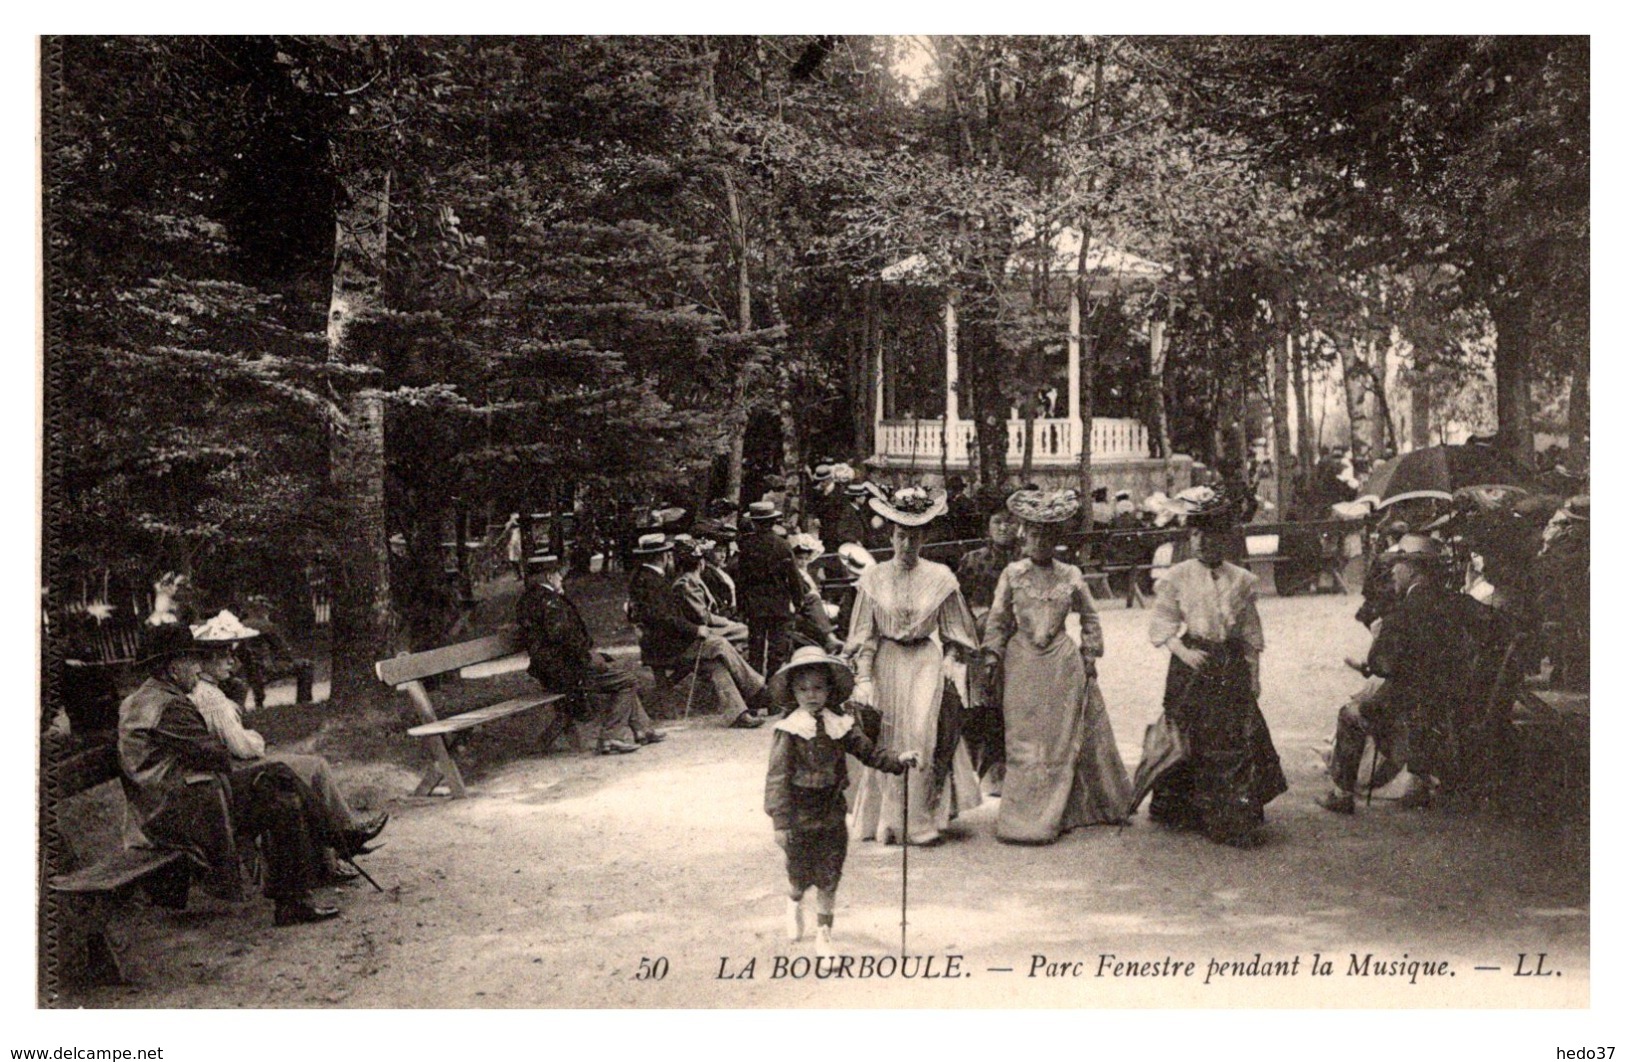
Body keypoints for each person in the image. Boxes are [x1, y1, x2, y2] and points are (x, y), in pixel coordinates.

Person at [117, 623, 342, 926]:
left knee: (280, 792)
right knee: (278, 781)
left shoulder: (144, 699)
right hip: (178, 810)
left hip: (172, 801)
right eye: (193, 661)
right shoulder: (168, 706)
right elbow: (216, 754)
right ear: (173, 668)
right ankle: (338, 840)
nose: (199, 669)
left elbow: (205, 754)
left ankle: (298, 897)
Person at [187, 611, 386, 876]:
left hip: (227, 769)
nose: (231, 662)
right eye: (223, 656)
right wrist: (257, 739)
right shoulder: (211, 698)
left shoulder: (210, 691)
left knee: (312, 768)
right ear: (207, 660)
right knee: (313, 767)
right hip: (235, 771)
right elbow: (242, 747)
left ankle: (336, 850)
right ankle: (344, 840)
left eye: (230, 654)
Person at [984, 490, 1132, 842]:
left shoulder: (1070, 575)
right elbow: (998, 619)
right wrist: (992, 655)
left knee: (1059, 741)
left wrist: (1090, 653)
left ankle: (1057, 813)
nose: (1039, 542)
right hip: (1021, 664)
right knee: (1022, 740)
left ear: (1057, 539)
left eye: (1047, 535)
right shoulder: (1013, 574)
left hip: (1063, 666)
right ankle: (1022, 816)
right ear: (1024, 535)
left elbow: (1091, 617)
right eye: (1033, 534)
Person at [1145, 485, 1288, 847]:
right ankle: (1189, 808)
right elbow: (1162, 625)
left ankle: (1233, 815)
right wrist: (1184, 652)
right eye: (1195, 533)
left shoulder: (1241, 579)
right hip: (1192, 663)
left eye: (1210, 533)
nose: (1202, 541)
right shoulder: (1177, 576)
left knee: (1235, 735)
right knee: (1192, 735)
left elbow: (1250, 632)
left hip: (1229, 664)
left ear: (1224, 537)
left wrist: (1254, 674)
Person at [846, 485, 983, 846]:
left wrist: (952, 663)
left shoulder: (941, 578)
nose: (907, 546)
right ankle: (886, 820)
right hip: (886, 659)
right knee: (888, 733)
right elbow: (864, 634)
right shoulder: (873, 578)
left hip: (925, 659)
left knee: (922, 730)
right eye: (901, 536)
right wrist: (863, 676)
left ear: (925, 538)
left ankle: (921, 820)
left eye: (915, 537)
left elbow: (958, 634)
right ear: (891, 535)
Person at [1317, 535, 1493, 812]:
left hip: (1410, 704)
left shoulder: (1403, 612)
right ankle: (1419, 784)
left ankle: (1342, 794)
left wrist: (1370, 658)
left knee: (1350, 714)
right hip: (1455, 696)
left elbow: (1382, 665)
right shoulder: (1459, 603)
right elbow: (1495, 626)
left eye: (1398, 567)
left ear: (1412, 570)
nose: (1393, 573)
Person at [764, 647, 921, 957]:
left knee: (829, 876)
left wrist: (898, 760)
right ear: (793, 692)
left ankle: (824, 934)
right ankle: (793, 903)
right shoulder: (788, 730)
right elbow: (776, 779)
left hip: (832, 811)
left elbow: (869, 752)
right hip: (799, 813)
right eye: (803, 688)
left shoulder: (841, 724)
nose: (812, 695)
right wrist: (779, 822)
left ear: (830, 689)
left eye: (819, 687)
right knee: (799, 877)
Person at [515, 553, 665, 755]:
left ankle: (642, 729)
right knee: (627, 680)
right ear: (550, 577)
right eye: (559, 575)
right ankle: (611, 737)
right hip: (567, 671)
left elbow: (561, 641)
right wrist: (589, 657)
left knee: (618, 674)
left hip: (552, 670)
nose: (562, 579)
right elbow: (564, 640)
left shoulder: (529, 600)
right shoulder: (550, 602)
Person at [627, 533, 770, 728]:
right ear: (664, 557)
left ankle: (740, 713)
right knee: (719, 644)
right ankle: (758, 690)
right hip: (665, 647)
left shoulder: (649, 577)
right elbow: (663, 619)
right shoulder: (649, 581)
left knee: (716, 665)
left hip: (667, 642)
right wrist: (695, 630)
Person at [954, 508, 1022, 789]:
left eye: (1010, 522)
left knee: (1013, 704)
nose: (1004, 527)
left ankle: (1010, 768)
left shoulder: (1025, 560)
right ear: (988, 526)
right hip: (979, 640)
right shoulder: (973, 560)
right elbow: (959, 604)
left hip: (1018, 640)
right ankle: (981, 769)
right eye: (998, 521)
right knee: (980, 703)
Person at [737, 501, 805, 678]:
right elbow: (793, 576)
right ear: (773, 521)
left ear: (754, 522)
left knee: (756, 648)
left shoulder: (746, 547)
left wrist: (741, 606)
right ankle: (774, 683)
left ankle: (756, 686)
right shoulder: (783, 545)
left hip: (755, 605)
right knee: (777, 648)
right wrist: (798, 601)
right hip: (778, 604)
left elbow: (741, 580)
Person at [787, 533, 842, 653]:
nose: (803, 562)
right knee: (813, 603)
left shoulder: (805, 573)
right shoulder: (793, 573)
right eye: (800, 558)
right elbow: (803, 593)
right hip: (795, 605)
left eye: (806, 559)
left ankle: (831, 642)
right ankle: (829, 639)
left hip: (804, 605)